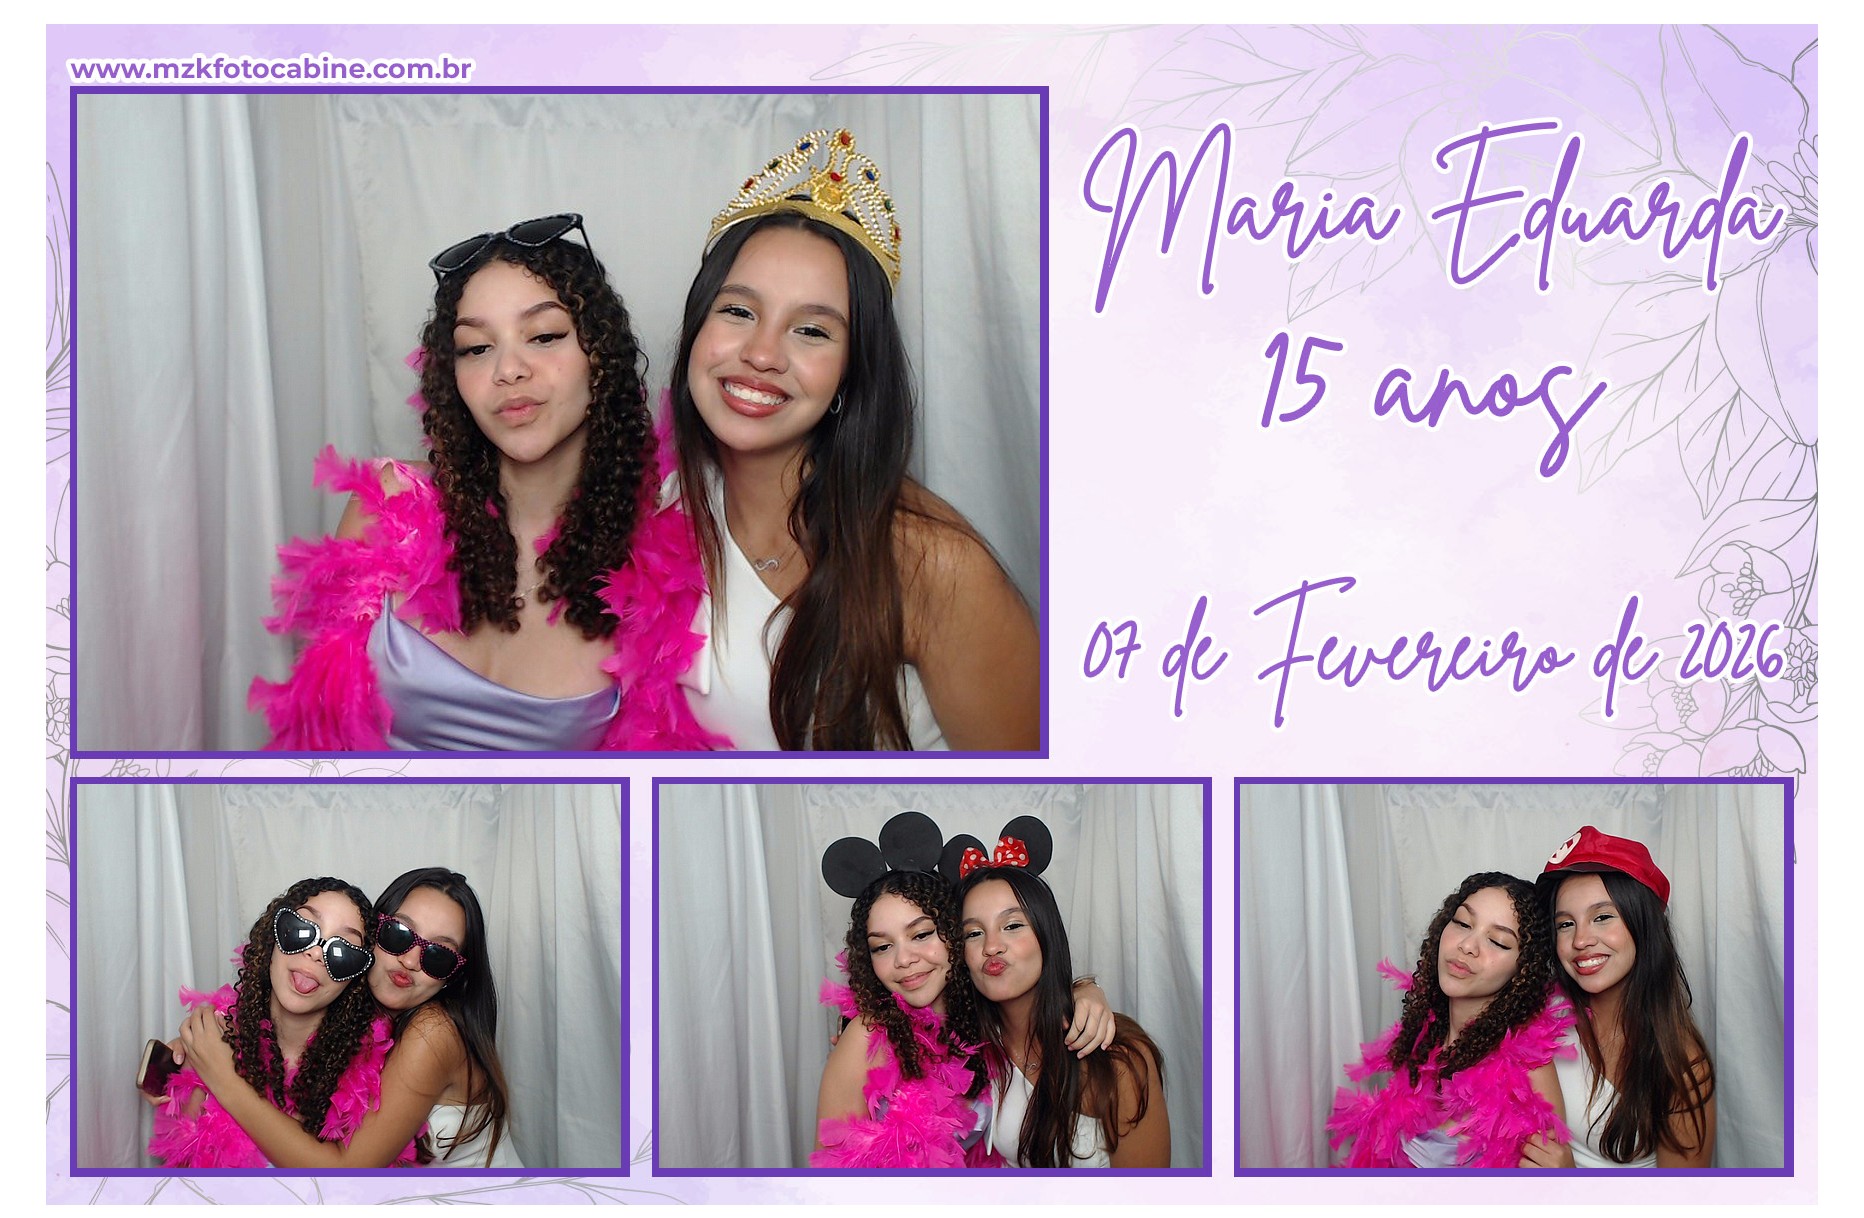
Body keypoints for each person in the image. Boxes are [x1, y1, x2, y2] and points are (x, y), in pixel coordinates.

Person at [249, 214, 718, 752]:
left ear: (600, 357)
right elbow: (315, 742)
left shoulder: (667, 555)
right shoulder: (387, 507)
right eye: (476, 348)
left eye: (544, 336)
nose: (509, 370)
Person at [669, 128, 1038, 750]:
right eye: (738, 311)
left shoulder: (935, 566)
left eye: (812, 330)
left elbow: (1033, 793)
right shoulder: (662, 502)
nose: (761, 353)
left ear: (852, 372)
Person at [175, 868, 519, 1167]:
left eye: (439, 956)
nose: (411, 961)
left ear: (452, 978)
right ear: (369, 943)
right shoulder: (354, 1019)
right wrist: (198, 1045)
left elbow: (348, 1169)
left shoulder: (433, 1031)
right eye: (398, 934)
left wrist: (222, 1074)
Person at [148, 877, 417, 1167]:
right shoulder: (209, 1041)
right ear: (273, 937)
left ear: (354, 979)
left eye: (342, 951)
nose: (316, 953)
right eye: (302, 930)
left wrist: (223, 1076)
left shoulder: (378, 1078)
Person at [1328, 872, 1570, 1168]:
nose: (1468, 945)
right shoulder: (1422, 1037)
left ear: (1523, 970)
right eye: (1463, 923)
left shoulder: (1530, 1070)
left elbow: (1549, 1183)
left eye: (1498, 941)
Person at [1520, 827, 1716, 1168]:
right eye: (1565, 924)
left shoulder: (1681, 1065)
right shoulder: (1536, 1016)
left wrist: (1570, 1186)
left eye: (1602, 917)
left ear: (1643, 925)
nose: (1580, 940)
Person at [956, 864, 1169, 1168]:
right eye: (974, 933)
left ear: (1047, 935)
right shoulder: (968, 1051)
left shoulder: (1116, 1058)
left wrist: (1086, 986)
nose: (991, 946)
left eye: (1012, 925)